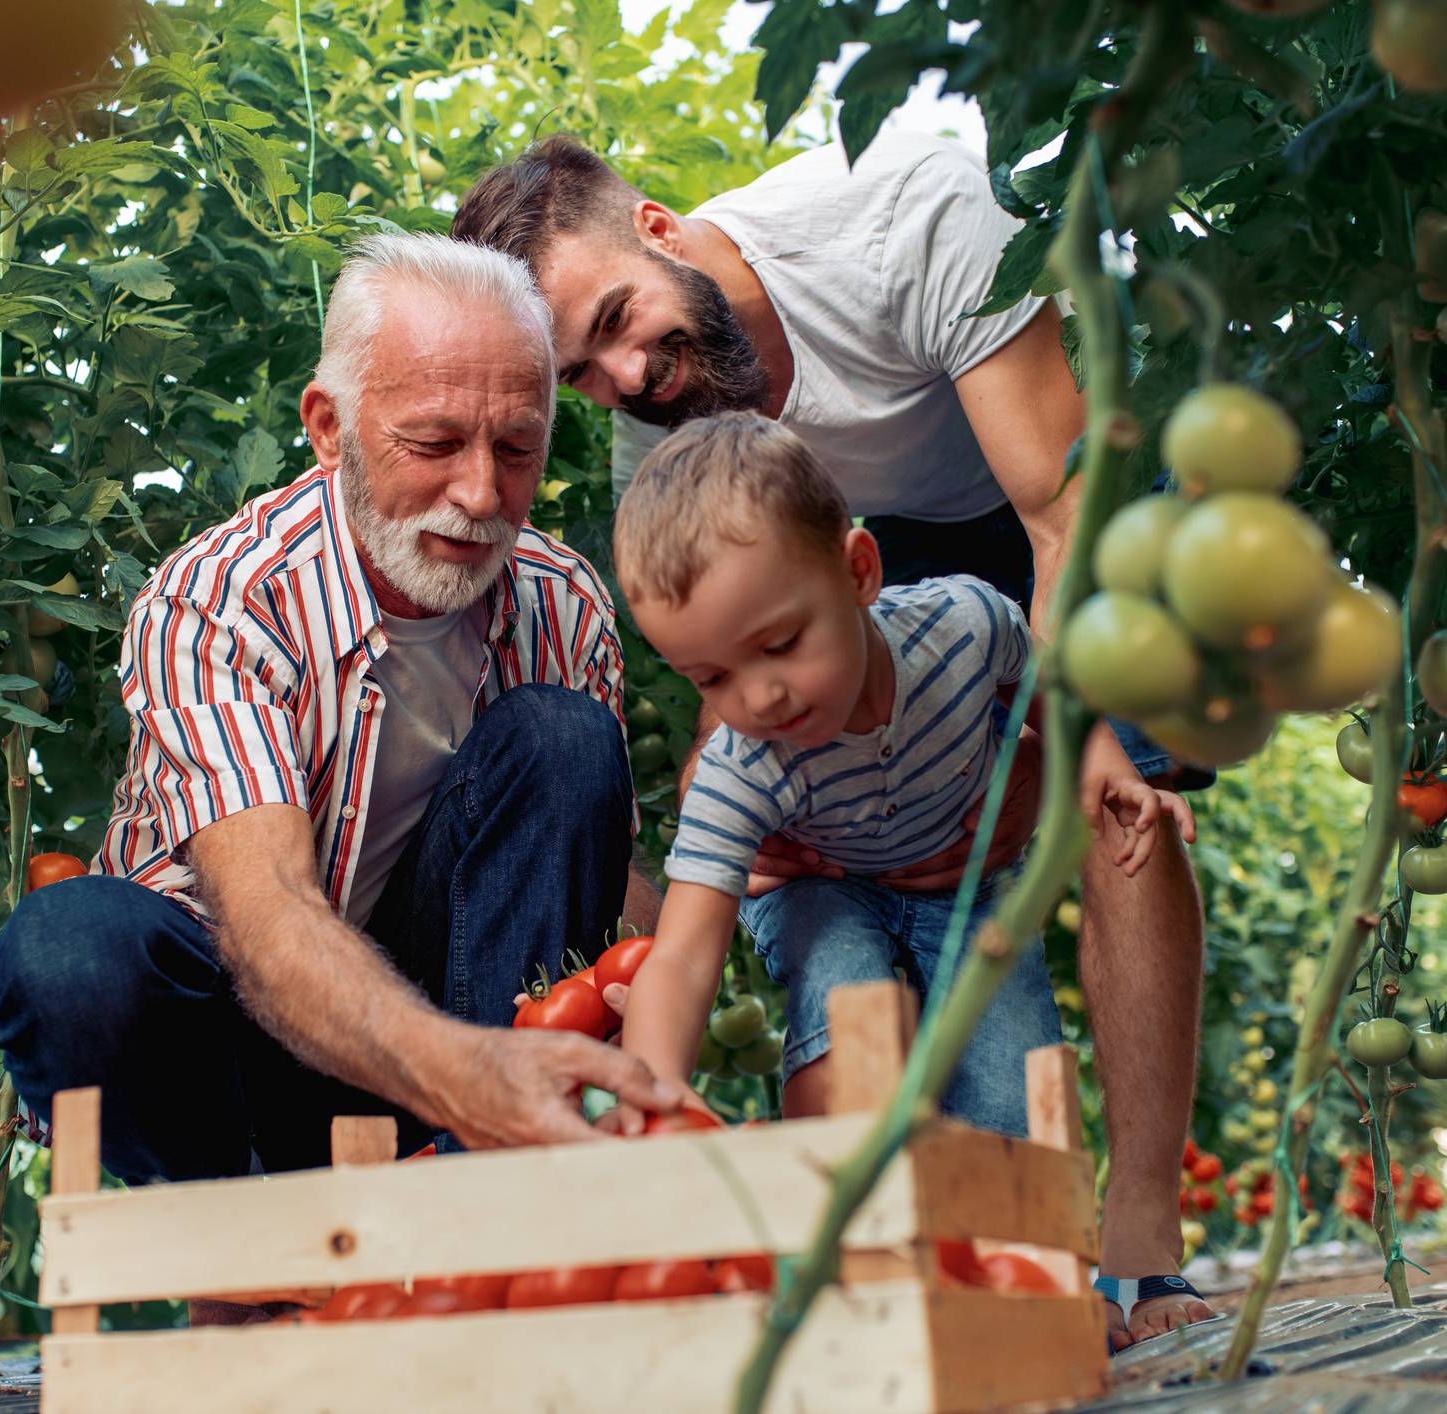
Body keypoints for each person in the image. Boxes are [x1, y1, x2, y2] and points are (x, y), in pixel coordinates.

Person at [453, 129, 1213, 1348]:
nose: (629, 378)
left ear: (657, 226)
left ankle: (1141, 1238)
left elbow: (1060, 526)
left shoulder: (906, 216)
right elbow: (727, 667)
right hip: (854, 548)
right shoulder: (670, 415)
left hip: (1052, 483)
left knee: (1121, 794)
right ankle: (924, 1255)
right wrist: (726, 858)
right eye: (583, 376)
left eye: (617, 322)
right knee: (807, 826)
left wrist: (1064, 762)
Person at [0, 234, 678, 1210]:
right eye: (433, 443)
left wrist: (715, 901)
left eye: (517, 446)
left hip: (458, 1048)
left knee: (565, 739)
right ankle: (238, 1254)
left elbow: (585, 892)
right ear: (327, 425)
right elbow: (267, 922)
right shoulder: (221, 599)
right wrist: (473, 1072)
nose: (481, 493)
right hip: (236, 1057)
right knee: (66, 951)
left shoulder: (560, 601)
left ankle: (493, 1216)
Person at [608, 412, 1186, 1144]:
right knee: (846, 999)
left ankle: (1014, 1247)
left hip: (964, 886)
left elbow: (1049, 693)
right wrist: (651, 1090)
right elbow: (686, 956)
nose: (759, 698)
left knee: (1011, 1098)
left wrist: (1104, 765)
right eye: (712, 677)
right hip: (820, 889)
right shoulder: (741, 770)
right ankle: (839, 1209)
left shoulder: (967, 625)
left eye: (781, 644)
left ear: (858, 572)